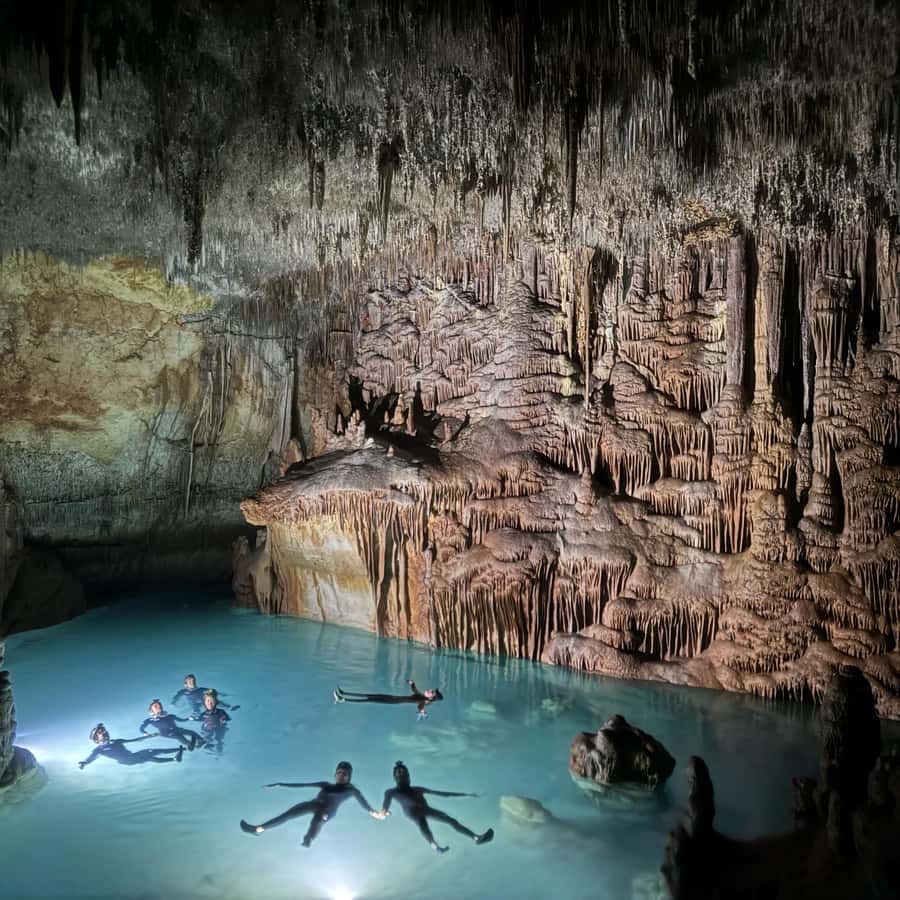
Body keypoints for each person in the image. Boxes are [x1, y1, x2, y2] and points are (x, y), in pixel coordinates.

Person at [240, 761, 382, 847]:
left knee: (319, 818)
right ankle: (257, 829)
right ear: (335, 774)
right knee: (287, 815)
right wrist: (280, 784)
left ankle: (309, 838)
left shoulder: (351, 790)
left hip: (327, 812)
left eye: (344, 774)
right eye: (339, 772)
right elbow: (302, 785)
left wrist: (375, 813)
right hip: (314, 804)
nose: (341, 775)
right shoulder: (325, 785)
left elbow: (364, 804)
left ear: (349, 776)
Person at [377, 761, 493, 853]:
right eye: (399, 773)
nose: (401, 775)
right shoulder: (393, 792)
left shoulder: (417, 789)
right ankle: (439, 846)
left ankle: (476, 838)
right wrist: (384, 810)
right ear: (396, 778)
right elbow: (386, 802)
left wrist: (466, 794)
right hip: (414, 812)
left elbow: (443, 794)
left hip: (421, 810)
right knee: (426, 825)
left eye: (403, 773)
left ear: (408, 776)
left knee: (449, 821)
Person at [77, 723, 184, 768]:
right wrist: (84, 763)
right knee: (151, 752)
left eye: (104, 730)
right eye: (101, 732)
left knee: (150, 757)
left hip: (131, 757)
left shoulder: (117, 741)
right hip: (126, 760)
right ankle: (182, 750)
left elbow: (135, 740)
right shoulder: (99, 749)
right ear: (96, 738)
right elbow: (91, 757)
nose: (104, 732)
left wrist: (149, 736)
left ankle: (175, 758)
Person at [333, 679, 443, 719]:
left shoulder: (424, 700)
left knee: (369, 698)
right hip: (392, 698)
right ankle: (344, 693)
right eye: (431, 690)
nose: (429, 690)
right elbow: (415, 692)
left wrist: (422, 711)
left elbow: (420, 706)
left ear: (432, 697)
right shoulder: (422, 697)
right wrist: (412, 684)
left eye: (432, 692)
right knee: (370, 696)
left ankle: (343, 699)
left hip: (392, 700)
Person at [140, 699, 206, 750]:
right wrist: (145, 733)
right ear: (151, 710)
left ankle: (201, 740)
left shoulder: (170, 716)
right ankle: (189, 744)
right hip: (165, 732)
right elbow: (142, 728)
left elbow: (181, 720)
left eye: (159, 705)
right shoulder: (150, 720)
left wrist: (189, 718)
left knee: (191, 732)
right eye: (155, 706)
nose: (159, 707)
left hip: (176, 729)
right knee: (178, 736)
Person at [190, 689, 231, 754]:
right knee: (207, 736)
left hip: (219, 728)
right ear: (204, 703)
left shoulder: (221, 711)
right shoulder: (204, 714)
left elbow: (228, 719)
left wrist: (223, 720)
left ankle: (219, 750)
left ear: (216, 702)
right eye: (208, 701)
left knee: (219, 739)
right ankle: (205, 744)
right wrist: (193, 719)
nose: (210, 703)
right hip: (208, 729)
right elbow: (199, 719)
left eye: (212, 701)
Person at [172, 674, 237, 714]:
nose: (192, 682)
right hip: (193, 703)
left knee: (214, 701)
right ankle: (196, 713)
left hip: (203, 700)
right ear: (185, 684)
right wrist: (174, 702)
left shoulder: (201, 689)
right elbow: (177, 696)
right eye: (190, 681)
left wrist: (220, 694)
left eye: (193, 680)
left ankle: (229, 707)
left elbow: (211, 690)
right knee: (195, 708)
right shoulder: (183, 691)